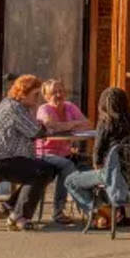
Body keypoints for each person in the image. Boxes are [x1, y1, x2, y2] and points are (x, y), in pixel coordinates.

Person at [0, 75, 57, 231]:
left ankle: (9, 206)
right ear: (23, 93)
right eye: (35, 94)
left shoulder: (13, 106)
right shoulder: (14, 108)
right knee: (42, 171)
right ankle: (19, 216)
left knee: (45, 169)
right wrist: (46, 125)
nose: (38, 98)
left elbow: (32, 129)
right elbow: (36, 132)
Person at [64, 87, 130, 218]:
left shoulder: (106, 122)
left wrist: (97, 165)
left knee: (70, 181)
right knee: (92, 177)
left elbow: (97, 152)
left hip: (112, 173)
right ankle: (109, 212)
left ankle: (102, 212)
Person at [35, 79, 91, 224]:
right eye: (54, 92)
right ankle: (58, 211)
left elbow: (87, 124)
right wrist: (73, 125)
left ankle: (93, 209)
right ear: (46, 96)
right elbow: (51, 126)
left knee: (88, 166)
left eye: (61, 91)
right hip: (45, 153)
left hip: (65, 152)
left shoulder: (70, 107)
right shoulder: (44, 109)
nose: (59, 95)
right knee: (67, 166)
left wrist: (65, 125)